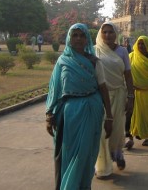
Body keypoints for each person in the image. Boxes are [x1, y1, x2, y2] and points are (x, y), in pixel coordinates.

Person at [45, 23, 113, 190]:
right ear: (69, 38)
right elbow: (55, 88)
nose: (78, 39)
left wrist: (109, 116)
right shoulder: (62, 61)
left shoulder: (95, 62)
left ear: (87, 39)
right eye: (74, 35)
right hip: (69, 115)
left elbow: (103, 88)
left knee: (85, 155)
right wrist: (49, 115)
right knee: (69, 154)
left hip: (91, 110)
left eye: (82, 35)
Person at [94, 22, 134, 178]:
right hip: (101, 97)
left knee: (117, 129)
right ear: (100, 34)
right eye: (105, 32)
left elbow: (128, 76)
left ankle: (118, 154)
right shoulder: (95, 50)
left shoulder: (122, 51)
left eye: (111, 32)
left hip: (118, 95)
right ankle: (103, 165)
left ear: (116, 33)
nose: (108, 35)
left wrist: (130, 97)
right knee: (102, 132)